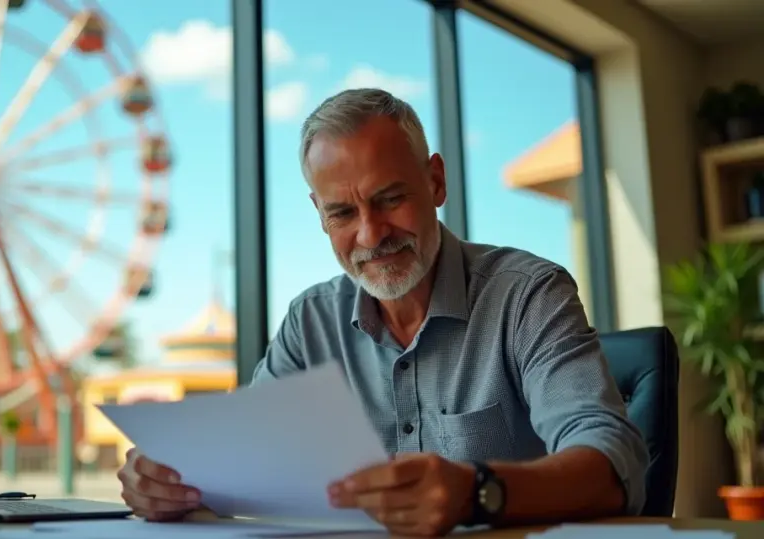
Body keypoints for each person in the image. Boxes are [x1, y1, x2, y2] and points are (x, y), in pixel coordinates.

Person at [116, 88, 650, 536]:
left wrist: (477, 493)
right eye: (343, 212)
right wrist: (170, 482)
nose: (370, 235)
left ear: (435, 181)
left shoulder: (528, 295)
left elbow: (613, 466)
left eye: (390, 199)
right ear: (320, 214)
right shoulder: (310, 323)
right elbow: (246, 470)